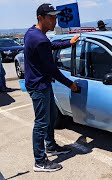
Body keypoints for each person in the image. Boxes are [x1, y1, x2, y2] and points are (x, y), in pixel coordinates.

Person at [24, 3, 79, 172]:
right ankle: (40, 161)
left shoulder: (34, 33)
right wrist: (70, 84)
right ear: (40, 18)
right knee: (41, 123)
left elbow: (49, 46)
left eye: (55, 16)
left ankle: (51, 146)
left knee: (51, 117)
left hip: (41, 83)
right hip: (39, 86)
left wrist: (68, 43)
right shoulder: (38, 38)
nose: (55, 20)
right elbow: (52, 69)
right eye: (51, 17)